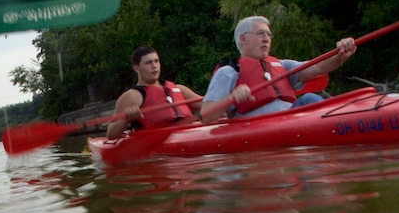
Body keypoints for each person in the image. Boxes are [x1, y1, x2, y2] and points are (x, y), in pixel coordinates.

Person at [199, 16, 357, 123]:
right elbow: (205, 115)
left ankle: (343, 121)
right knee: (309, 99)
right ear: (243, 38)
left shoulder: (283, 66)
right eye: (260, 33)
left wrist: (342, 54)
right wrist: (231, 98)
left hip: (292, 120)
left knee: (308, 98)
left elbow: (320, 66)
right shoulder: (228, 72)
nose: (267, 38)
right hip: (258, 128)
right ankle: (340, 122)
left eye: (268, 34)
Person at [105, 46, 203, 140]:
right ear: (136, 68)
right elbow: (111, 134)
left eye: (156, 61)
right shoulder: (132, 96)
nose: (154, 66)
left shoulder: (180, 89)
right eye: (148, 63)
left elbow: (206, 104)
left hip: (191, 132)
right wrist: (126, 119)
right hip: (159, 139)